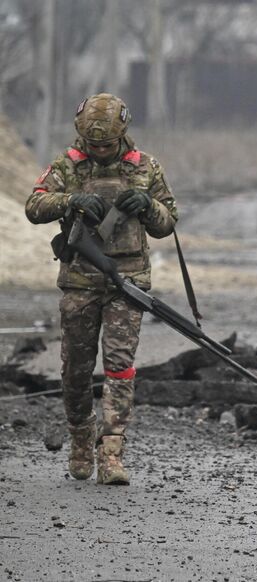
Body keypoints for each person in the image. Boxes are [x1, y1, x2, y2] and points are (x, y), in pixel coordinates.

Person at [25, 93, 178, 485]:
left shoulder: (145, 167)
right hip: (80, 281)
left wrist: (146, 203)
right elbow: (34, 206)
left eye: (108, 145)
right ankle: (81, 437)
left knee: (119, 365)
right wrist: (70, 200)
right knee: (76, 370)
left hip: (128, 282)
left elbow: (167, 222)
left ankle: (112, 452)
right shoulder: (67, 166)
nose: (101, 151)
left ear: (122, 136)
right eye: (94, 145)